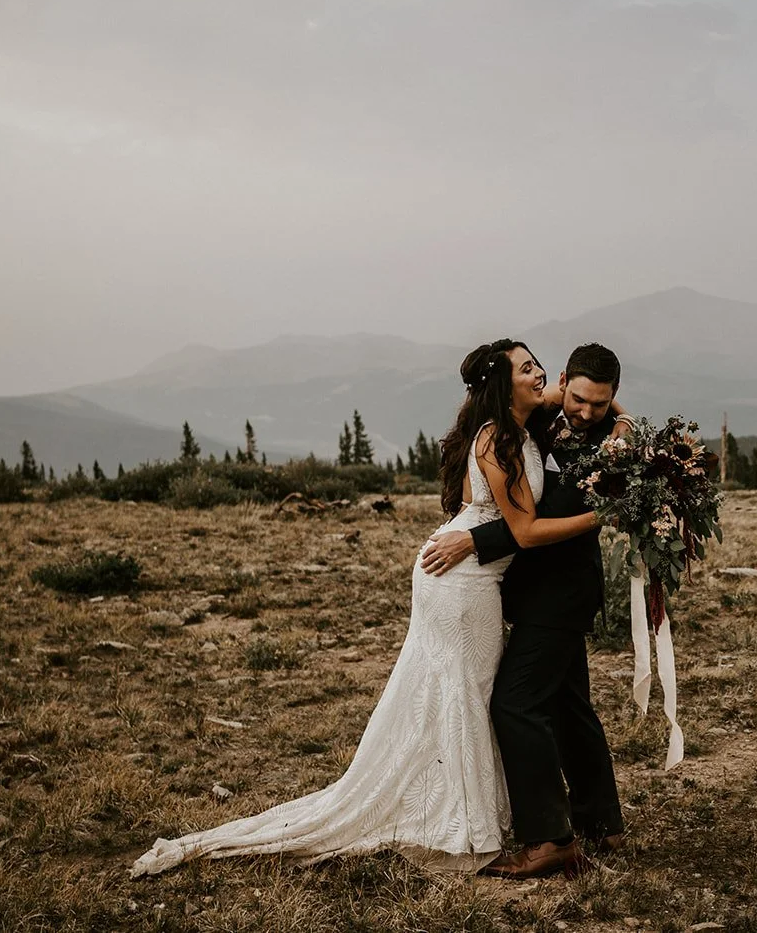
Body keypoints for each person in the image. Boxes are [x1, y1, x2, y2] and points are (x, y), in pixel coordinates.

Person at [129, 339, 600, 878]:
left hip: (468, 571)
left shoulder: (522, 418)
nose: (539, 375)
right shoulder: (499, 440)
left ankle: (467, 817)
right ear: (502, 384)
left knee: (463, 696)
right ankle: (456, 825)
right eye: (526, 369)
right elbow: (525, 531)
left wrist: (630, 437)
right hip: (461, 584)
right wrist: (602, 516)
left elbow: (602, 403)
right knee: (462, 697)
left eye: (538, 364)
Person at [420, 342, 628, 879]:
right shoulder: (536, 416)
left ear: (612, 402)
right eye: (578, 399)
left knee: (515, 704)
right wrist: (472, 540)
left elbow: (543, 520)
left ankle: (550, 838)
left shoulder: (610, 445)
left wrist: (623, 431)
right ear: (564, 383)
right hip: (526, 589)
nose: (586, 413)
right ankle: (600, 821)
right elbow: (523, 517)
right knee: (567, 704)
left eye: (600, 406)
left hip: (559, 595)